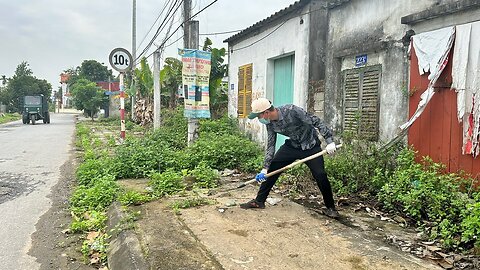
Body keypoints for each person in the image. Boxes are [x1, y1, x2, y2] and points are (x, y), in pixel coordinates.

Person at [239, 97, 339, 218]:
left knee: (320, 175)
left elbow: (316, 121)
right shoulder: (270, 124)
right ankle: (259, 201)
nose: (259, 119)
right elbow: (271, 145)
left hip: (310, 146)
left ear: (266, 113)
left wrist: (329, 141)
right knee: (272, 169)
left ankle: (331, 208)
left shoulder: (292, 110)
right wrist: (265, 168)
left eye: (258, 116)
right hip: (292, 146)